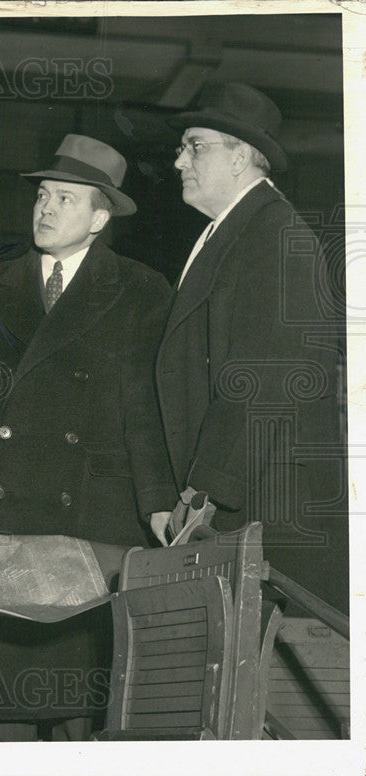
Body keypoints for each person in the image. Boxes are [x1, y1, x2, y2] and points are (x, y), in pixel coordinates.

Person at [0, 135, 176, 739]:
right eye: (42, 194)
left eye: (65, 198)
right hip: (2, 513)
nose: (44, 208)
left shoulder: (143, 291)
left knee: (80, 705)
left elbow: (147, 411)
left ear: (99, 217)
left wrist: (158, 506)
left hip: (93, 521)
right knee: (0, 706)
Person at [156, 83, 347, 612]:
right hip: (243, 499)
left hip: (263, 507)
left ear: (240, 157)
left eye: (195, 146)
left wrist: (201, 495)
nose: (178, 161)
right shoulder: (235, 230)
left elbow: (262, 379)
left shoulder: (274, 235)